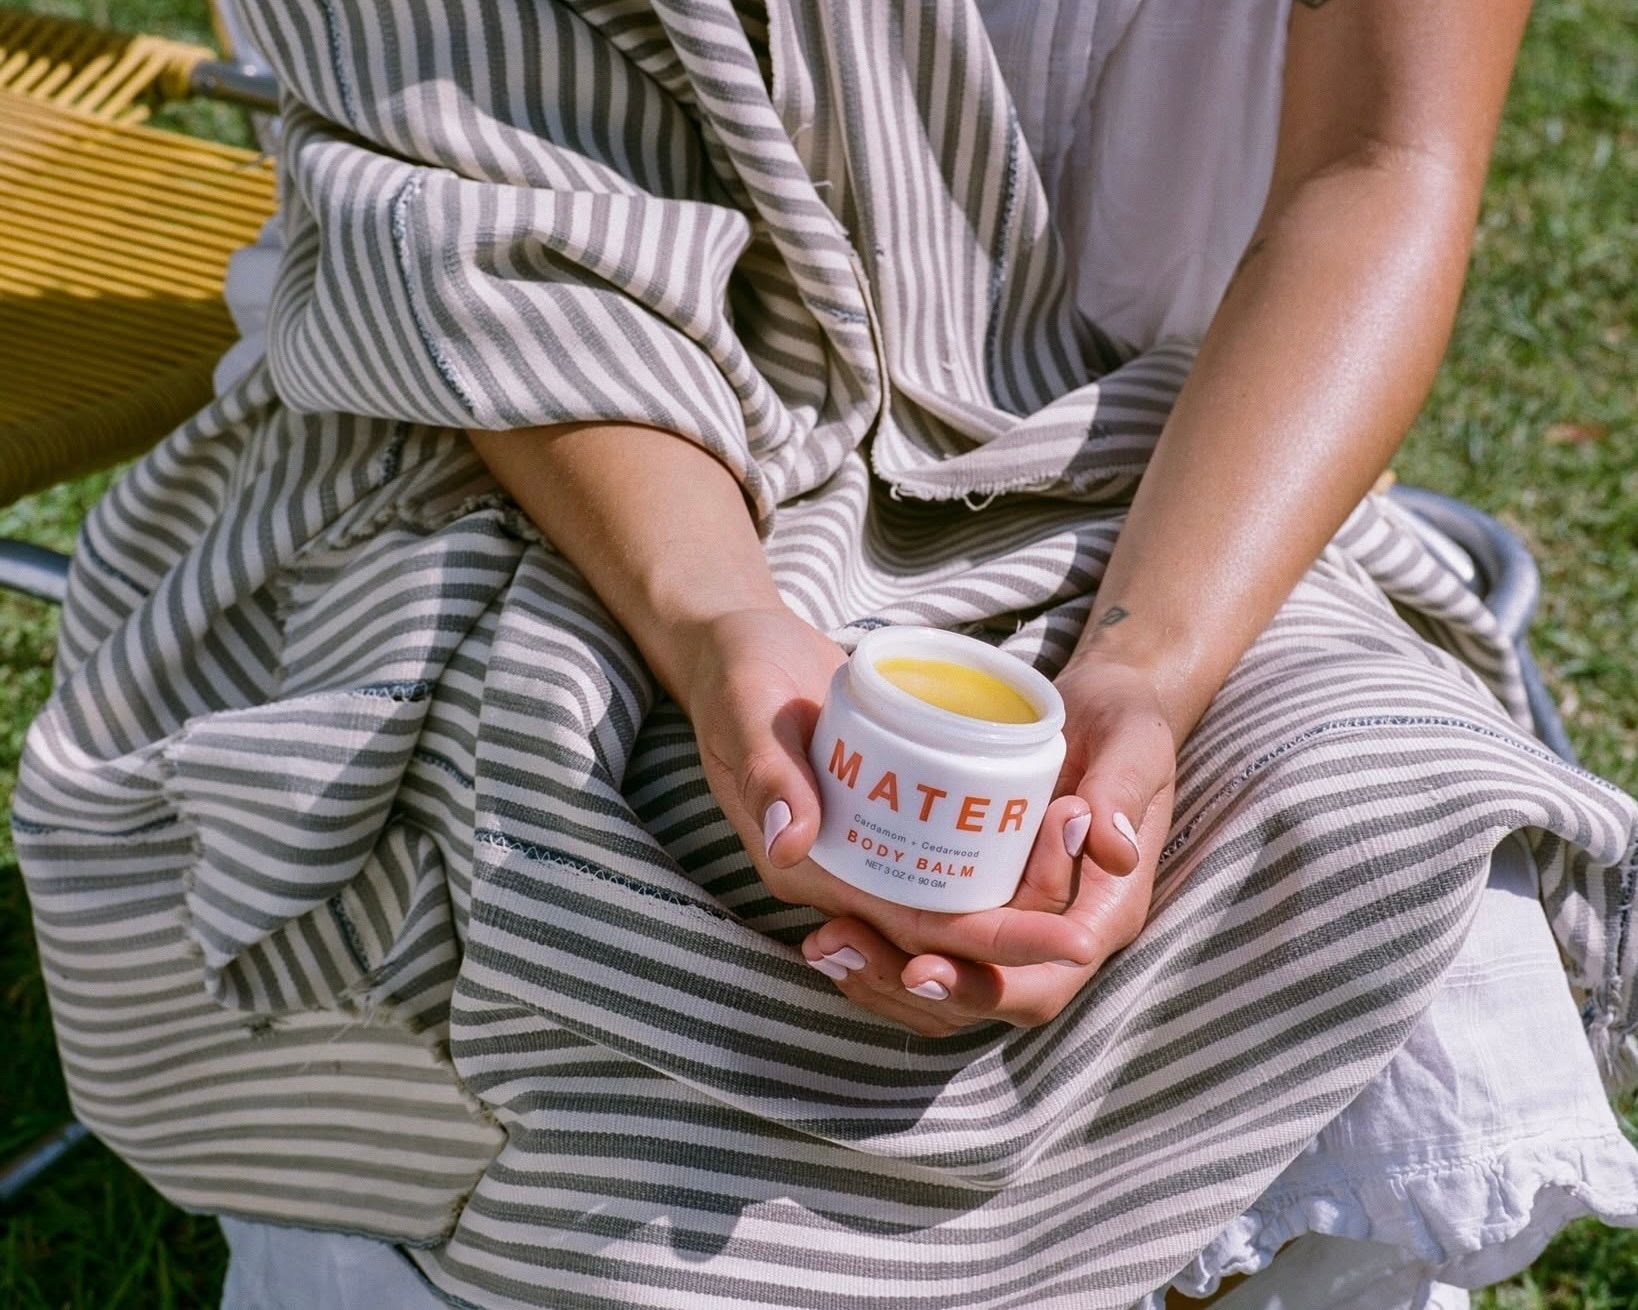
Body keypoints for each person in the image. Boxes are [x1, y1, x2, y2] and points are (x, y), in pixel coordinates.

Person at [15, 1, 1638, 1307]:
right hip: (547, 420)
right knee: (585, 835)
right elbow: (473, 227)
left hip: (1172, 455)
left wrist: (1146, 676)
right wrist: (724, 620)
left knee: (1357, 815)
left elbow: (1376, 165)